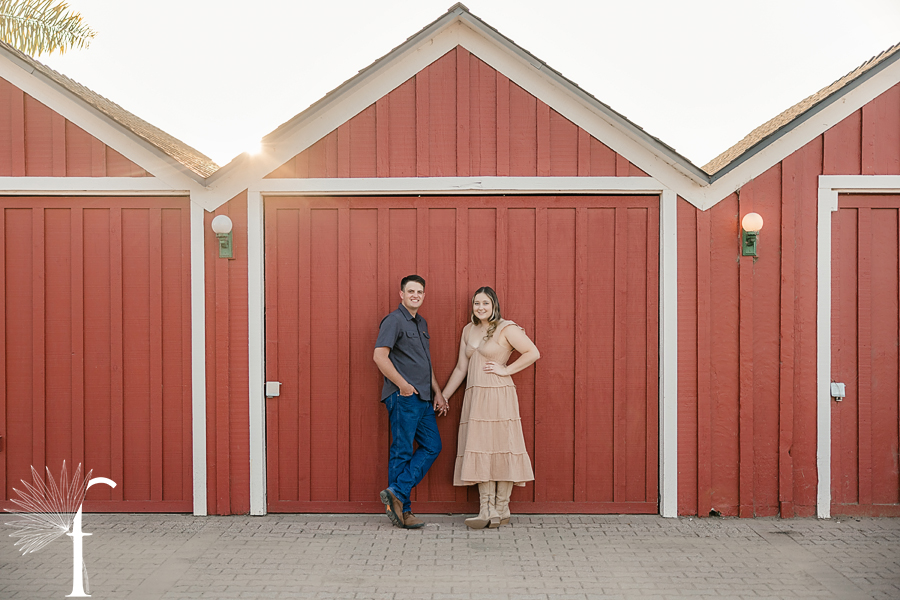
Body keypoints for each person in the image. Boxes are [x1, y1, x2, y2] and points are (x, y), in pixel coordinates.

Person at [441, 286, 540, 528]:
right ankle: (486, 508)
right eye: (477, 303)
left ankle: (501, 507)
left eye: (485, 303)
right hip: (475, 397)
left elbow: (532, 352)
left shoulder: (507, 328)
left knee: (502, 447)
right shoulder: (468, 329)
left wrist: (505, 369)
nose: (481, 307)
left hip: (499, 394)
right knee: (481, 446)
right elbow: (460, 369)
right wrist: (443, 396)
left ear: (494, 305)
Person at [374, 275, 449, 529]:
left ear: (424, 295)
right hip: (404, 398)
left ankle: (397, 491)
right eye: (411, 291)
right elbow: (379, 356)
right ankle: (402, 512)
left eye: (420, 291)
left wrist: (437, 392)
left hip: (424, 400)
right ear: (401, 294)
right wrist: (403, 385)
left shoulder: (421, 323)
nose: (415, 295)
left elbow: (424, 363)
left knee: (432, 446)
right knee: (402, 451)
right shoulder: (394, 320)